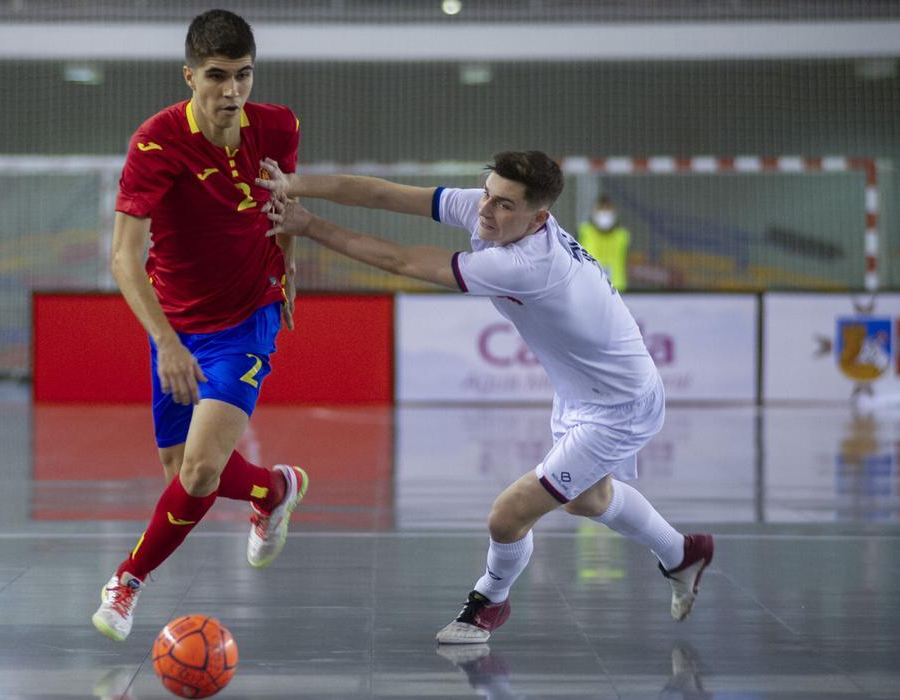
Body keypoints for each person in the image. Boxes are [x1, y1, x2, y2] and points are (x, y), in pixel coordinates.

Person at [258, 151, 712, 643]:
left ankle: (488, 602)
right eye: (488, 194)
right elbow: (386, 194)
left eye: (504, 205)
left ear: (539, 217)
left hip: (619, 405)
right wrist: (297, 182)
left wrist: (308, 225)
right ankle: (683, 553)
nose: (486, 211)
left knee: (508, 515)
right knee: (588, 500)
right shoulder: (493, 210)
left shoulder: (526, 265)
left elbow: (402, 260)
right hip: (584, 392)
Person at [92, 9, 309, 644]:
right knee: (180, 469)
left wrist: (288, 272)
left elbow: (283, 205)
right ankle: (274, 489)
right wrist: (164, 341)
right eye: (216, 76)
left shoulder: (278, 127)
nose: (231, 92)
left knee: (197, 474)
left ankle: (126, 581)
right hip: (175, 320)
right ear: (190, 76)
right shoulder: (156, 143)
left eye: (243, 75)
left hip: (246, 317)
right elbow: (123, 257)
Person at [576, 195, 630, 292]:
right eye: (601, 209)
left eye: (608, 209)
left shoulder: (622, 235)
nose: (604, 214)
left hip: (618, 289)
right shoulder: (583, 231)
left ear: (614, 213)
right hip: (589, 287)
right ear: (594, 212)